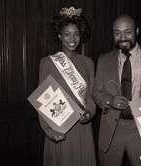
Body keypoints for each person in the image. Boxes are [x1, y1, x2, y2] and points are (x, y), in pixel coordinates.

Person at [92, 14, 141, 166]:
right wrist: (110, 100)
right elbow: (96, 92)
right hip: (112, 131)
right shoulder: (103, 59)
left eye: (128, 32)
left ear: (137, 31)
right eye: (117, 33)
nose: (122, 38)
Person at [38, 6, 96, 166]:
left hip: (82, 129)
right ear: (59, 36)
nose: (72, 39)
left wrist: (89, 114)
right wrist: (49, 132)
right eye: (67, 34)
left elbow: (90, 97)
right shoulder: (47, 62)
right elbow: (43, 101)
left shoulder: (88, 63)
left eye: (76, 34)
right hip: (59, 129)